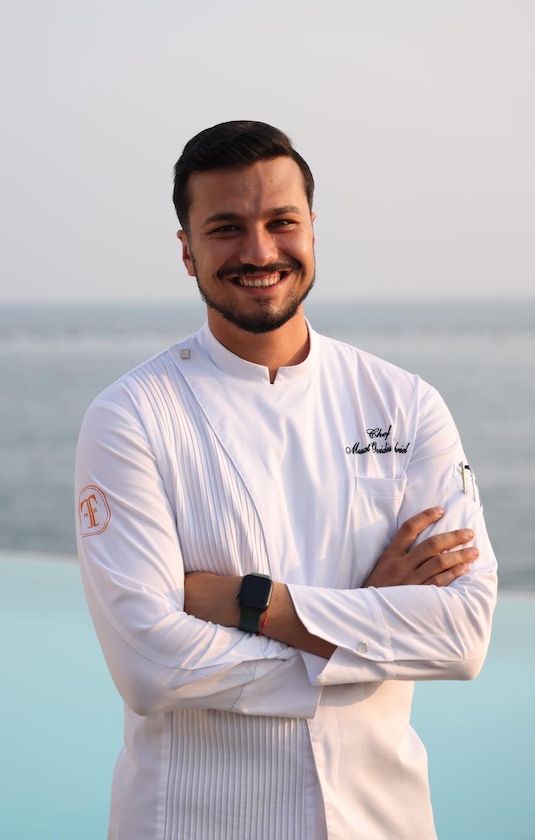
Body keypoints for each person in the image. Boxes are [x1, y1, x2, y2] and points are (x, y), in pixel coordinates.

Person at [75, 121, 497, 840]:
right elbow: (150, 666)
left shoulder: (404, 404)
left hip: (382, 820)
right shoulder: (131, 418)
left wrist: (254, 606)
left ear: (312, 229)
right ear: (187, 250)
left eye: (281, 222)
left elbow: (462, 635)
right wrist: (369, 621)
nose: (260, 251)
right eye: (226, 228)